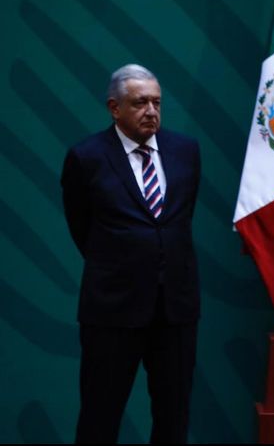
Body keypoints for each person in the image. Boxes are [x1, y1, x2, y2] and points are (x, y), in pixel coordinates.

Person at [61, 64, 201, 443]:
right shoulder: (86, 157)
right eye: (140, 103)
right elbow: (82, 227)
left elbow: (177, 222)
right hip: (113, 310)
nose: (151, 111)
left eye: (157, 102)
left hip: (175, 310)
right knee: (99, 419)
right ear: (114, 108)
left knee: (174, 419)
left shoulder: (186, 152)